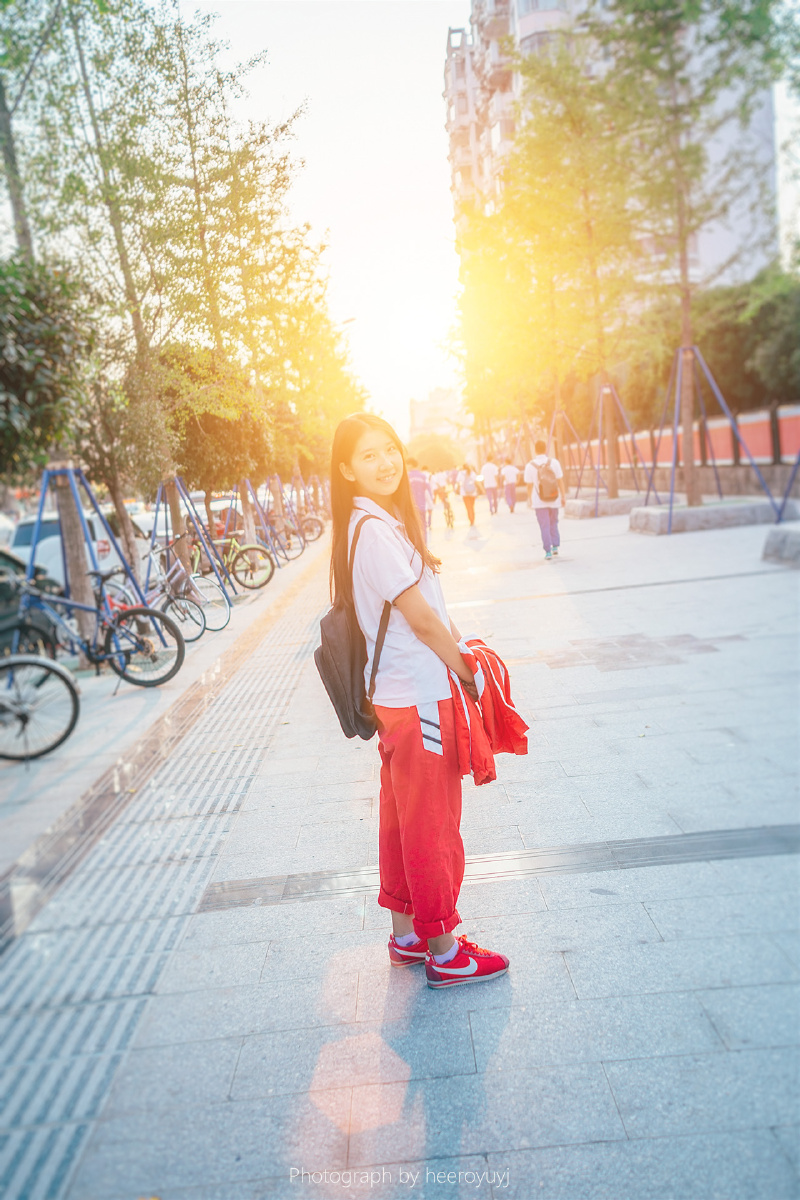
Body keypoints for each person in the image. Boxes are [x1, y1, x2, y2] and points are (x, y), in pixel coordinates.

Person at [330, 413, 509, 987]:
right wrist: (471, 675)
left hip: (400, 699)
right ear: (345, 468)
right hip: (421, 698)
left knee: (403, 822)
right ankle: (445, 950)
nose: (384, 463)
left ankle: (408, 937)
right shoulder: (376, 531)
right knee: (432, 825)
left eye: (389, 450)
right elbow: (424, 622)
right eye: (368, 456)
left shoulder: (374, 523)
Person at [527, 439, 566, 559]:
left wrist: (529, 499)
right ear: (545, 449)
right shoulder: (554, 462)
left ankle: (547, 551)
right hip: (554, 499)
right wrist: (563, 496)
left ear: (535, 450)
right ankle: (555, 547)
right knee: (554, 523)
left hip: (539, 501)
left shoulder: (530, 465)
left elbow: (529, 485)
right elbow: (560, 481)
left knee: (544, 525)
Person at [406, 458, 434, 544]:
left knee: (413, 528)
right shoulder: (423, 476)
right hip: (422, 506)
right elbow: (428, 491)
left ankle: (417, 546)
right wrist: (430, 505)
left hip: (411, 507)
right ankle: (424, 546)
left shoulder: (407, 476)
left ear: (410, 465)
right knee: (423, 527)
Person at [457, 463, 479, 536]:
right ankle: (473, 520)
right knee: (472, 507)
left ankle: (470, 520)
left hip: (464, 493)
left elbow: (458, 482)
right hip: (472, 493)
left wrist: (457, 489)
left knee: (468, 507)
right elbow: (476, 482)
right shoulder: (472, 473)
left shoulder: (461, 473)